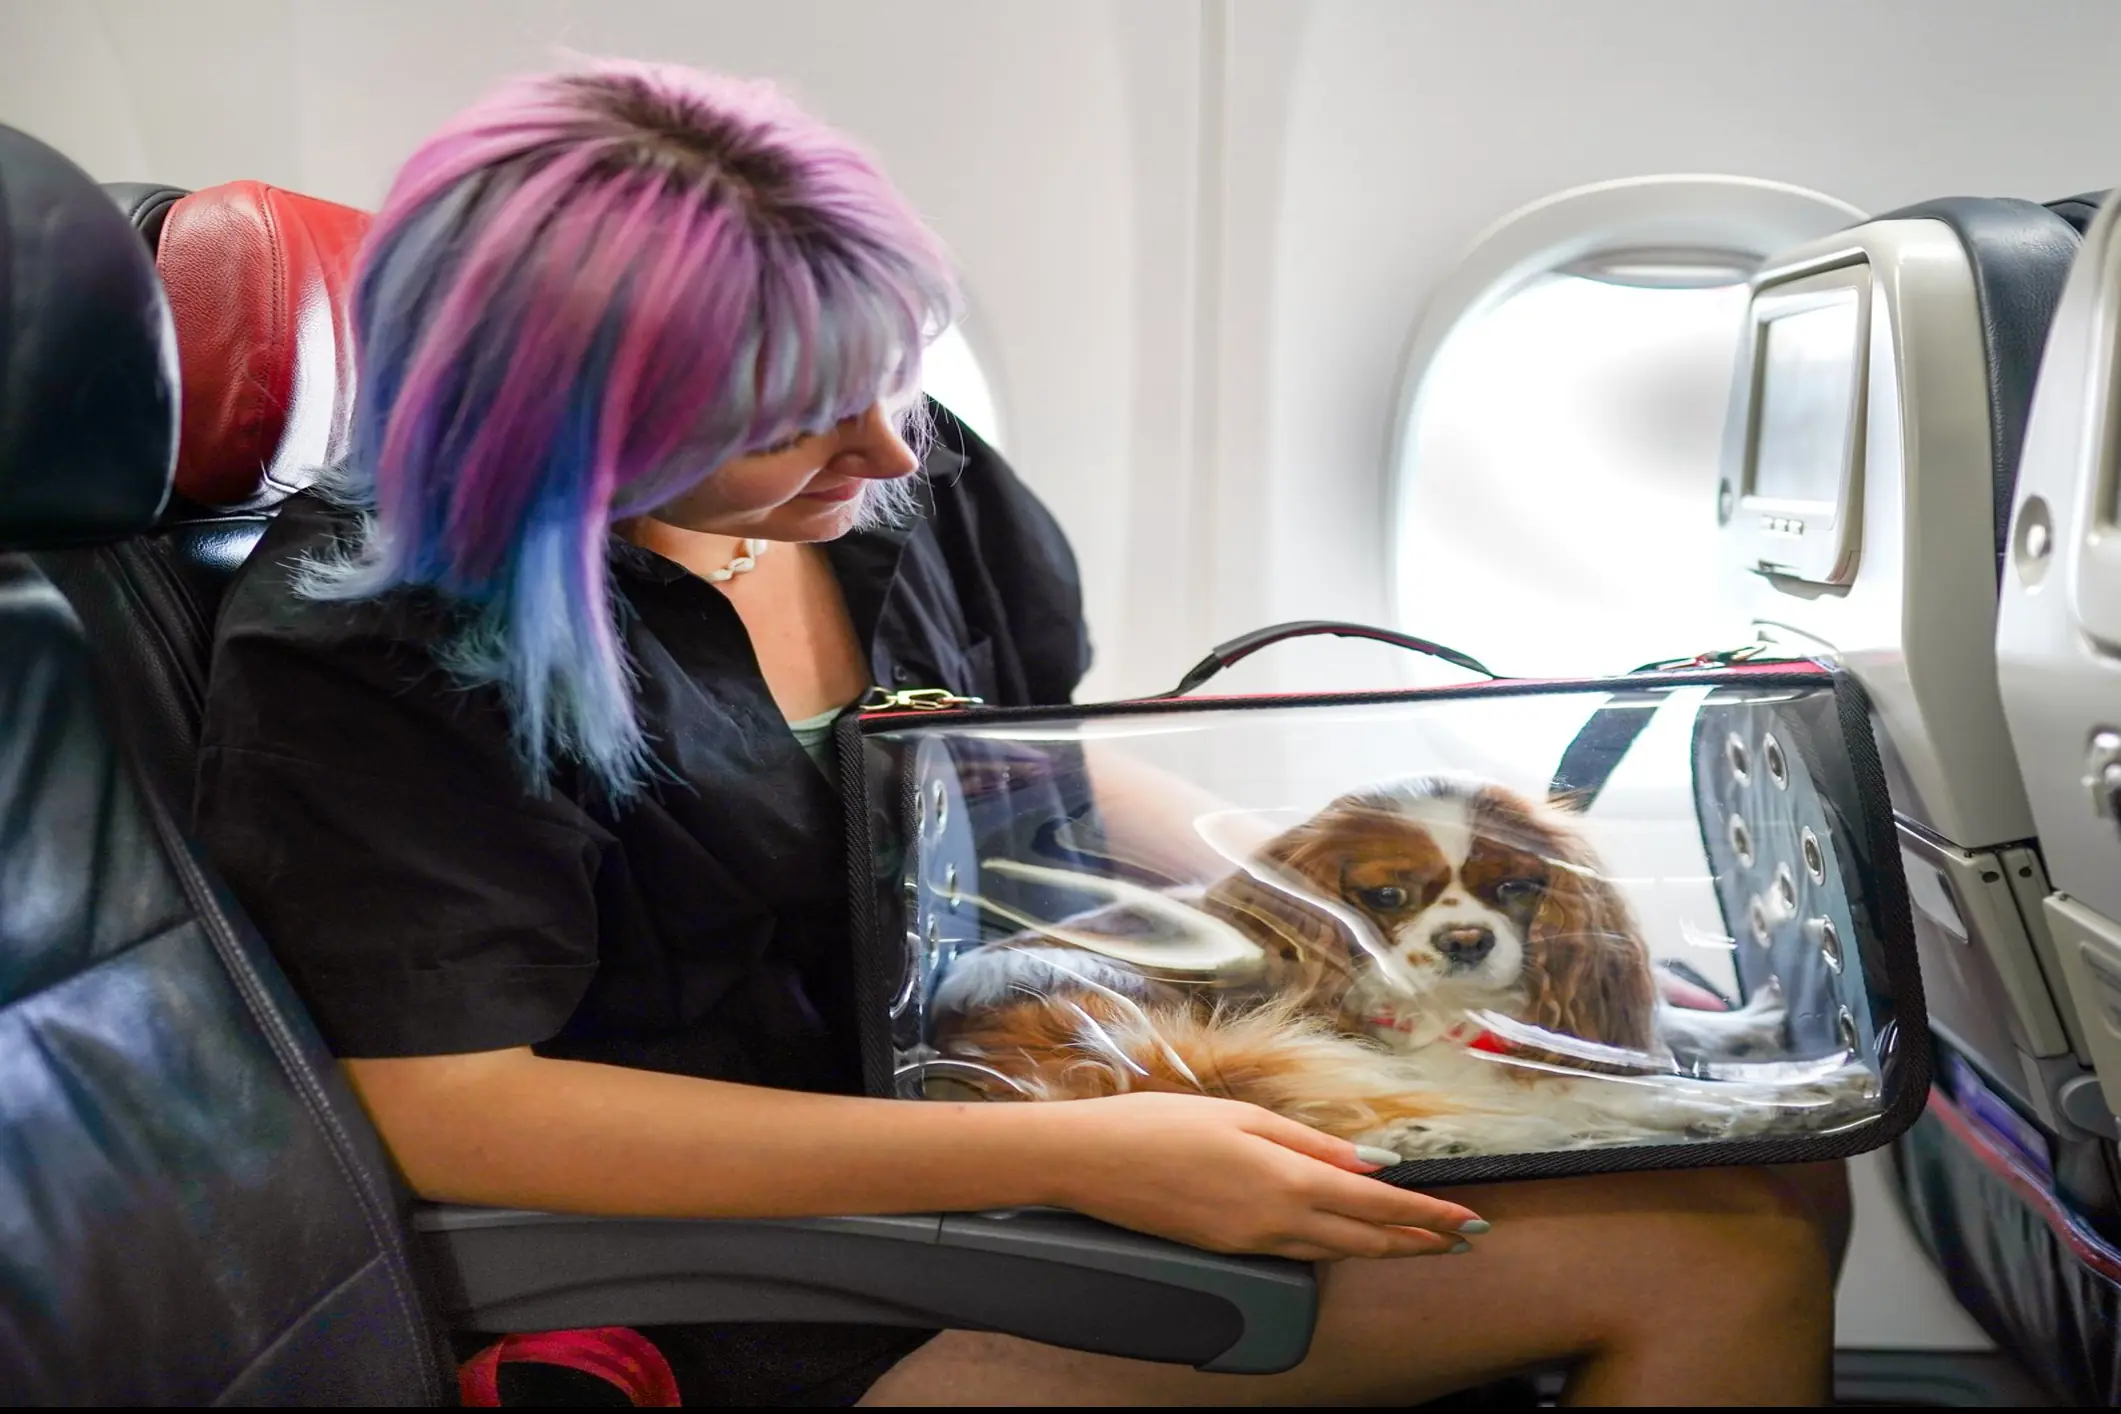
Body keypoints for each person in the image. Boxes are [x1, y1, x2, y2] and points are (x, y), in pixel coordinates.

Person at [193, 60, 1850, 1407]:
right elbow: (452, 1108)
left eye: (889, 374)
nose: (888, 451)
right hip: (774, 1257)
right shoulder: (378, 646)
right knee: (1726, 1251)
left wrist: (1330, 924)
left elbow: (1020, 762)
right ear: (574, 437)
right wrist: (1093, 1156)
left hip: (1022, 1100)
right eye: (789, 420)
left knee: (1773, 1148)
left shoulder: (901, 486)